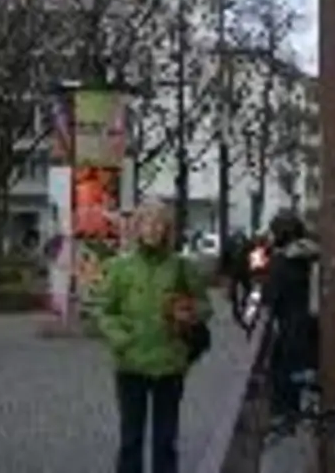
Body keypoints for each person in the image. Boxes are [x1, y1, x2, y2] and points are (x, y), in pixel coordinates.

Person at [95, 200, 211, 473]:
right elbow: (104, 312)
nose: (153, 228)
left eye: (159, 223)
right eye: (147, 222)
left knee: (165, 440)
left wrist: (190, 312)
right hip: (131, 365)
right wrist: (121, 339)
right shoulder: (120, 268)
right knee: (131, 440)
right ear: (137, 227)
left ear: (167, 229)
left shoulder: (181, 266)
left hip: (169, 364)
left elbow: (205, 305)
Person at [263, 210, 320, 418]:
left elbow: (270, 295)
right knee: (306, 368)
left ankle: (286, 411)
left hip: (290, 324)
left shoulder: (282, 261)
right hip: (313, 321)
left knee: (284, 369)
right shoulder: (312, 254)